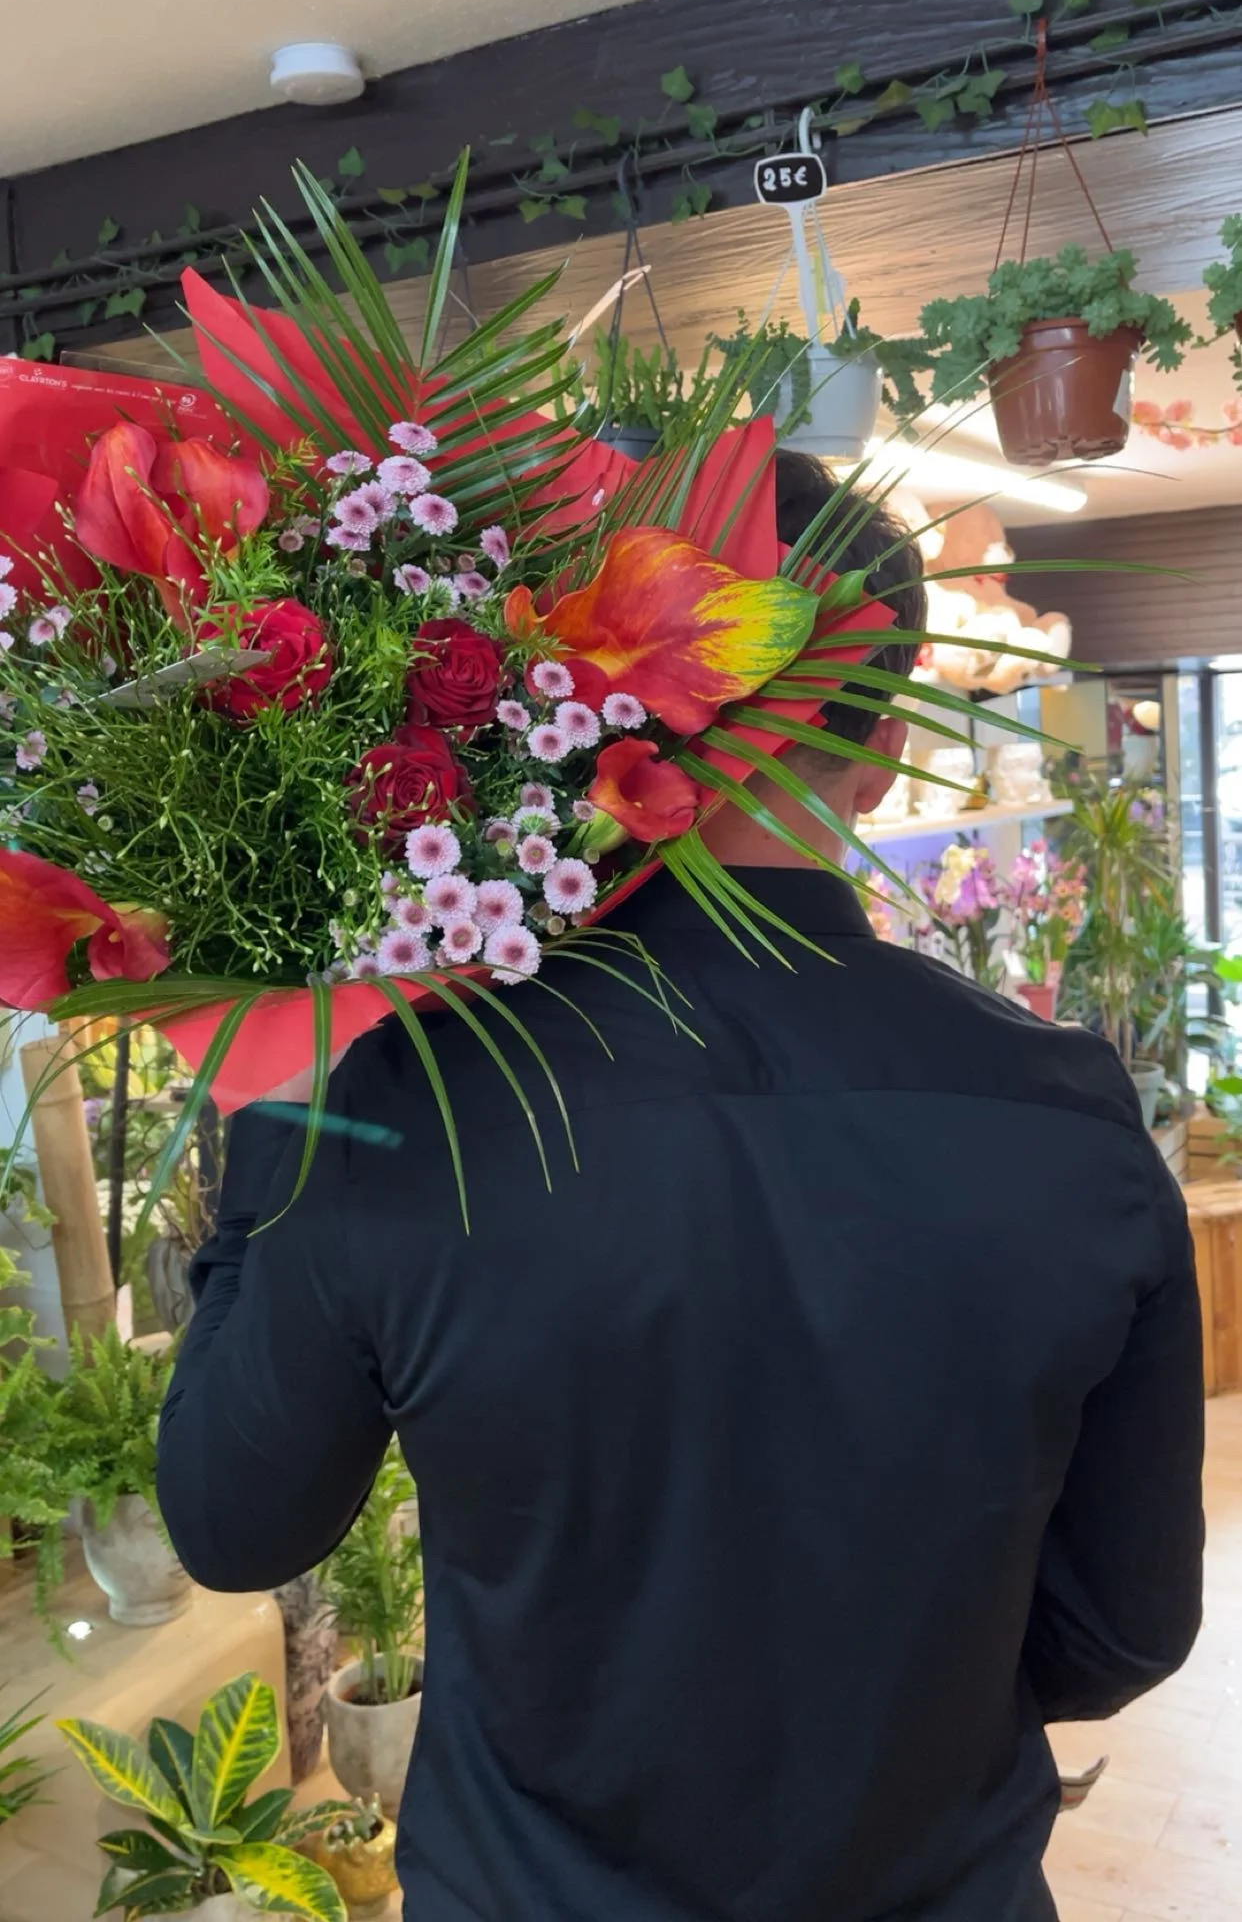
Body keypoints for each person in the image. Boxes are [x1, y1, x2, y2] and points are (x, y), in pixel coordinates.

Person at [158, 454, 1204, 1922]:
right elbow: (1125, 1633)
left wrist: (282, 1099)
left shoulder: (404, 1110)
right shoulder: (1066, 1115)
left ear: (565, 706)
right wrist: (903, 1698)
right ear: (887, 748)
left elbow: (235, 1525)